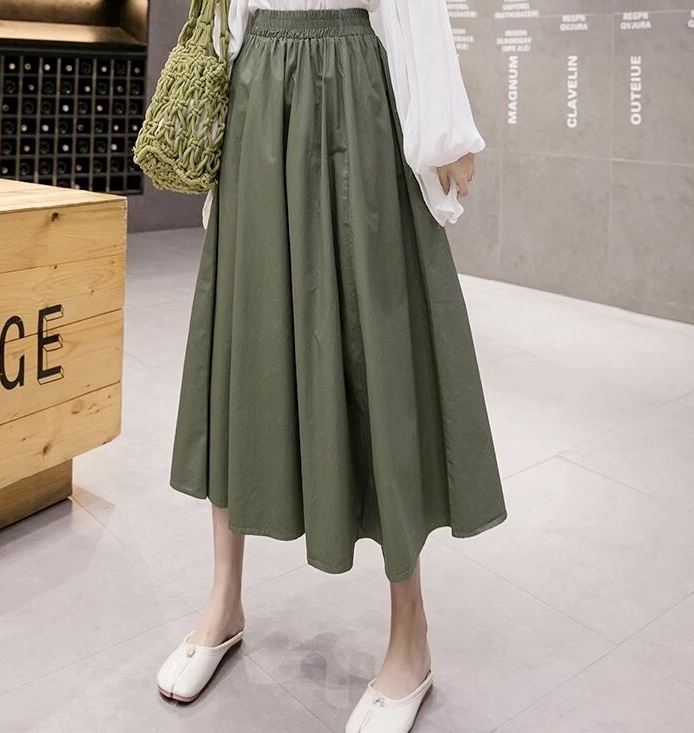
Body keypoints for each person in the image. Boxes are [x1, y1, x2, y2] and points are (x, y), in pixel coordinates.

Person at [156, 1, 508, 730]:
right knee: (243, 339)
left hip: (350, 87)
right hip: (256, 90)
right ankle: (223, 600)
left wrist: (444, 131)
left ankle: (410, 635)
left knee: (375, 351)